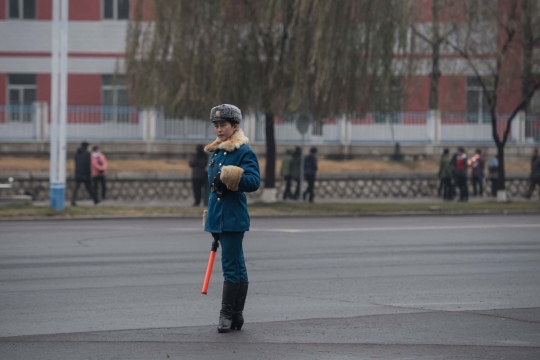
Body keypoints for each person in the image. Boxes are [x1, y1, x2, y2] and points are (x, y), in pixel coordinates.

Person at [203, 104, 260, 333]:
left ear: (234, 126)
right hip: (220, 218)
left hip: (234, 218)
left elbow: (254, 182)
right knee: (238, 266)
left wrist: (230, 175)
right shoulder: (216, 152)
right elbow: (213, 192)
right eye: (216, 125)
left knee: (230, 266)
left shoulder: (243, 152)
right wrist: (212, 223)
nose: (219, 129)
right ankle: (236, 315)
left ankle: (226, 314)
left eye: (223, 125)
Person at [71, 141, 98, 206]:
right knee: (89, 188)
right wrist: (88, 174)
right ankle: (95, 199)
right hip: (85, 174)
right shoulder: (87, 154)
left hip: (78, 173)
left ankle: (72, 201)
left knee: (76, 188)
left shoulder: (77, 153)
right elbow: (87, 166)